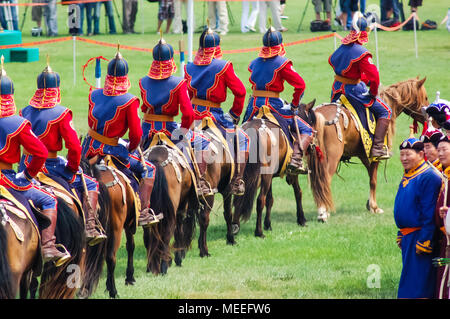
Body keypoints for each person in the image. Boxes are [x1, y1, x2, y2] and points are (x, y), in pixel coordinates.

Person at [19, 59, 106, 247]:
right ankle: (90, 226)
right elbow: (74, 147)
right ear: (56, 89)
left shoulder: (23, 111)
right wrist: (72, 169)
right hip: (52, 167)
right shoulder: (61, 113)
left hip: (25, 166)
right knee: (90, 183)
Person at [0, 58, 70, 266]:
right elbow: (39, 152)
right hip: (8, 180)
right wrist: (28, 175)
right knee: (49, 200)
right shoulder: (18, 123)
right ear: (10, 96)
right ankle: (48, 246)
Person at [81, 48, 163, 226]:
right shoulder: (129, 100)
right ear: (126, 75)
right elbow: (136, 134)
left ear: (108, 74)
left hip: (89, 147)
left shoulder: (93, 94)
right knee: (149, 169)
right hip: (114, 150)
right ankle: (143, 212)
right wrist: (131, 147)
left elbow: (90, 121)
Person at [139, 36, 211, 196]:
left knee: (131, 153)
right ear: (170, 59)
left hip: (147, 131)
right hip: (171, 131)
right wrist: (183, 133)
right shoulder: (178, 83)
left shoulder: (142, 82)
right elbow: (189, 114)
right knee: (204, 143)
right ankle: (200, 182)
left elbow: (144, 107)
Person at [184, 27, 250, 196]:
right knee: (243, 139)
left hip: (193, 116)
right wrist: (235, 114)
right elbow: (241, 92)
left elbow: (186, 96)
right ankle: (237, 179)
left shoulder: (189, 67)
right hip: (214, 116)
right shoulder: (223, 66)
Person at [242, 27, 313, 175]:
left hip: (253, 105)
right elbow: (300, 85)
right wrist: (294, 105)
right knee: (307, 130)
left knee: (239, 131)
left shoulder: (255, 62)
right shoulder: (282, 63)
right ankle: (296, 159)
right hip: (273, 105)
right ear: (280, 45)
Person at [329, 12, 392, 161]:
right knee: (386, 111)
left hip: (337, 90)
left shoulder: (341, 48)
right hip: (354, 91)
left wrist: (361, 79)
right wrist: (373, 91)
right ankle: (377, 147)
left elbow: (336, 64)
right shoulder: (362, 53)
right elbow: (375, 77)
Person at [394, 135, 441, 299]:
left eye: (408, 154)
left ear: (421, 154)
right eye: (402, 154)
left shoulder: (429, 176)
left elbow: (429, 211)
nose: (404, 158)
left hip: (419, 239)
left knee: (418, 286)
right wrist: (401, 232)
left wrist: (425, 239)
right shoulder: (410, 173)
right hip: (408, 237)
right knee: (409, 281)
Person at [434, 134, 450, 299]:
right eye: (438, 150)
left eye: (444, 149)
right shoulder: (443, 175)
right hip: (444, 239)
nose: (440, 154)